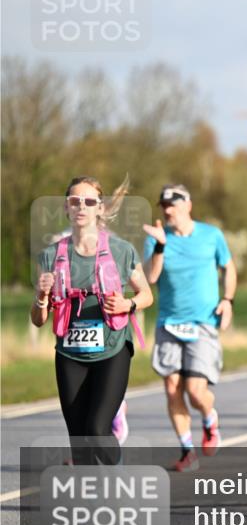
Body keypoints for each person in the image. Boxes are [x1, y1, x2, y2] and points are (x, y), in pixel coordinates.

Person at [32, 176, 153, 464]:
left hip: (112, 348)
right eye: (75, 201)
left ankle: (118, 481)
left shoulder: (121, 250)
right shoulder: (50, 256)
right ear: (66, 207)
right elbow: (38, 320)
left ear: (100, 208)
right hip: (69, 354)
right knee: (79, 442)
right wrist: (42, 295)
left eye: (89, 201)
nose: (81, 207)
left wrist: (127, 304)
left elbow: (146, 294)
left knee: (97, 431)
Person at [143, 185, 236, 472]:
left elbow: (229, 267)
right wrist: (160, 246)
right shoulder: (157, 238)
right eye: (164, 205)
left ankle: (209, 418)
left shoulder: (211, 235)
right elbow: (150, 277)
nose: (168, 210)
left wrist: (228, 300)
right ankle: (187, 451)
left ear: (188, 205)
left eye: (173, 203)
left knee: (196, 392)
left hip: (203, 322)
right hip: (169, 323)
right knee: (172, 388)